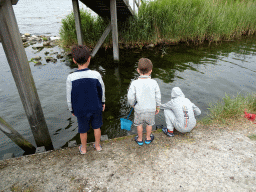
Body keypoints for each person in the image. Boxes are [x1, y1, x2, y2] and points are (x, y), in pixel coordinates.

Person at [66, 45, 105, 154]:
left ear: (74, 60)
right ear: (89, 59)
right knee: (97, 127)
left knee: (82, 129)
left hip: (80, 109)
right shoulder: (96, 75)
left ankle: (83, 149)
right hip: (96, 106)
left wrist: (71, 109)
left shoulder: (71, 77)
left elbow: (69, 96)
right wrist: (103, 102)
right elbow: (101, 90)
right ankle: (97, 146)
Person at [127, 58, 161, 146]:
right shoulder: (154, 82)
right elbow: (158, 96)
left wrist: (133, 105)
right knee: (149, 124)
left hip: (139, 109)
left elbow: (130, 97)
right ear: (150, 71)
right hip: (151, 109)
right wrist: (157, 107)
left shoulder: (134, 83)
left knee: (139, 124)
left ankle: (139, 139)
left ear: (138, 70)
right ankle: (148, 138)